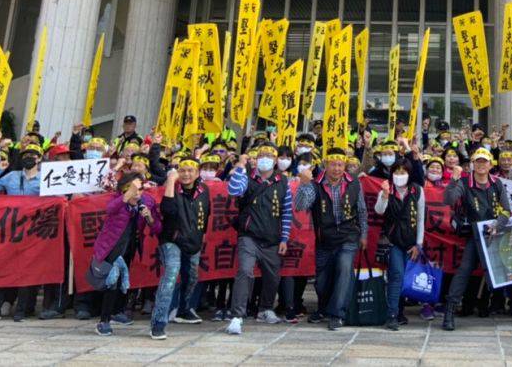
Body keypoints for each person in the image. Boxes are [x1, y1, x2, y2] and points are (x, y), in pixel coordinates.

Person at [294, 148, 368, 331]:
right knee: (322, 280)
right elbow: (301, 205)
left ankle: (337, 314)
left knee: (344, 269)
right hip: (324, 239)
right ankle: (324, 308)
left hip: (348, 236)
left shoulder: (354, 183)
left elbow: (362, 211)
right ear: (325, 165)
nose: (336, 168)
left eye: (340, 165)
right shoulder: (315, 184)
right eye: (333, 164)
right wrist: (303, 184)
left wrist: (364, 234)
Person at [441, 147, 510, 331]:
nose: (481, 165)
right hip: (474, 234)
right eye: (477, 161)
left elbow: (506, 210)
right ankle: (450, 310)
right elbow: (448, 200)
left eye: (484, 161)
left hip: (495, 233)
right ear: (472, 164)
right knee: (464, 270)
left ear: (490, 165)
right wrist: (453, 180)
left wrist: (497, 225)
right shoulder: (464, 182)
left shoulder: (497, 183)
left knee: (511, 265)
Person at [226, 145, 291, 334]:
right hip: (249, 236)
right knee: (245, 271)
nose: (265, 159)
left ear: (276, 159)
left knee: (272, 276)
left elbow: (286, 213)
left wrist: (284, 238)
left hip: (272, 238)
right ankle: (237, 315)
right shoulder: (247, 178)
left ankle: (265, 309)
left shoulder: (283, 182)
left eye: (269, 156)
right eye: (261, 155)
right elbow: (234, 191)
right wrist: (240, 166)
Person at [0, 143, 48, 322]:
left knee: (26, 271)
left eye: (33, 155)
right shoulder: (11, 176)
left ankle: (21, 311)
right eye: (26, 154)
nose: (29, 157)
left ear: (39, 158)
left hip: (32, 231)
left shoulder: (45, 179)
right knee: (2, 267)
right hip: (9, 229)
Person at [92, 172, 161, 336]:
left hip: (130, 246)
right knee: (111, 282)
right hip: (111, 247)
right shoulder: (118, 200)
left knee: (123, 281)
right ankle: (104, 321)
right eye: (132, 189)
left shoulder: (147, 202)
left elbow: (157, 227)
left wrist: (149, 217)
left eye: (139, 189)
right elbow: (110, 209)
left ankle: (117, 312)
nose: (137, 193)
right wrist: (128, 193)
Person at [150, 157, 210, 340]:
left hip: (193, 242)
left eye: (190, 170)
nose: (186, 174)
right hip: (171, 240)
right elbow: (167, 210)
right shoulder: (173, 188)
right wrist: (170, 180)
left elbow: (206, 214)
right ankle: (158, 322)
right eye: (182, 170)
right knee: (171, 273)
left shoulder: (203, 190)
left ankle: (183, 311)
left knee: (191, 276)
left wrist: (201, 237)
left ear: (197, 173)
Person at [374, 159, 426, 331]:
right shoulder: (387, 187)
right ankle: (392, 315)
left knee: (406, 278)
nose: (399, 176)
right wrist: (384, 195)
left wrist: (419, 244)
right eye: (397, 172)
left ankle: (401, 311)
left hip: (411, 242)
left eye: (403, 172)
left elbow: (420, 219)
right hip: (393, 241)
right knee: (396, 275)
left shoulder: (417, 190)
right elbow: (379, 210)